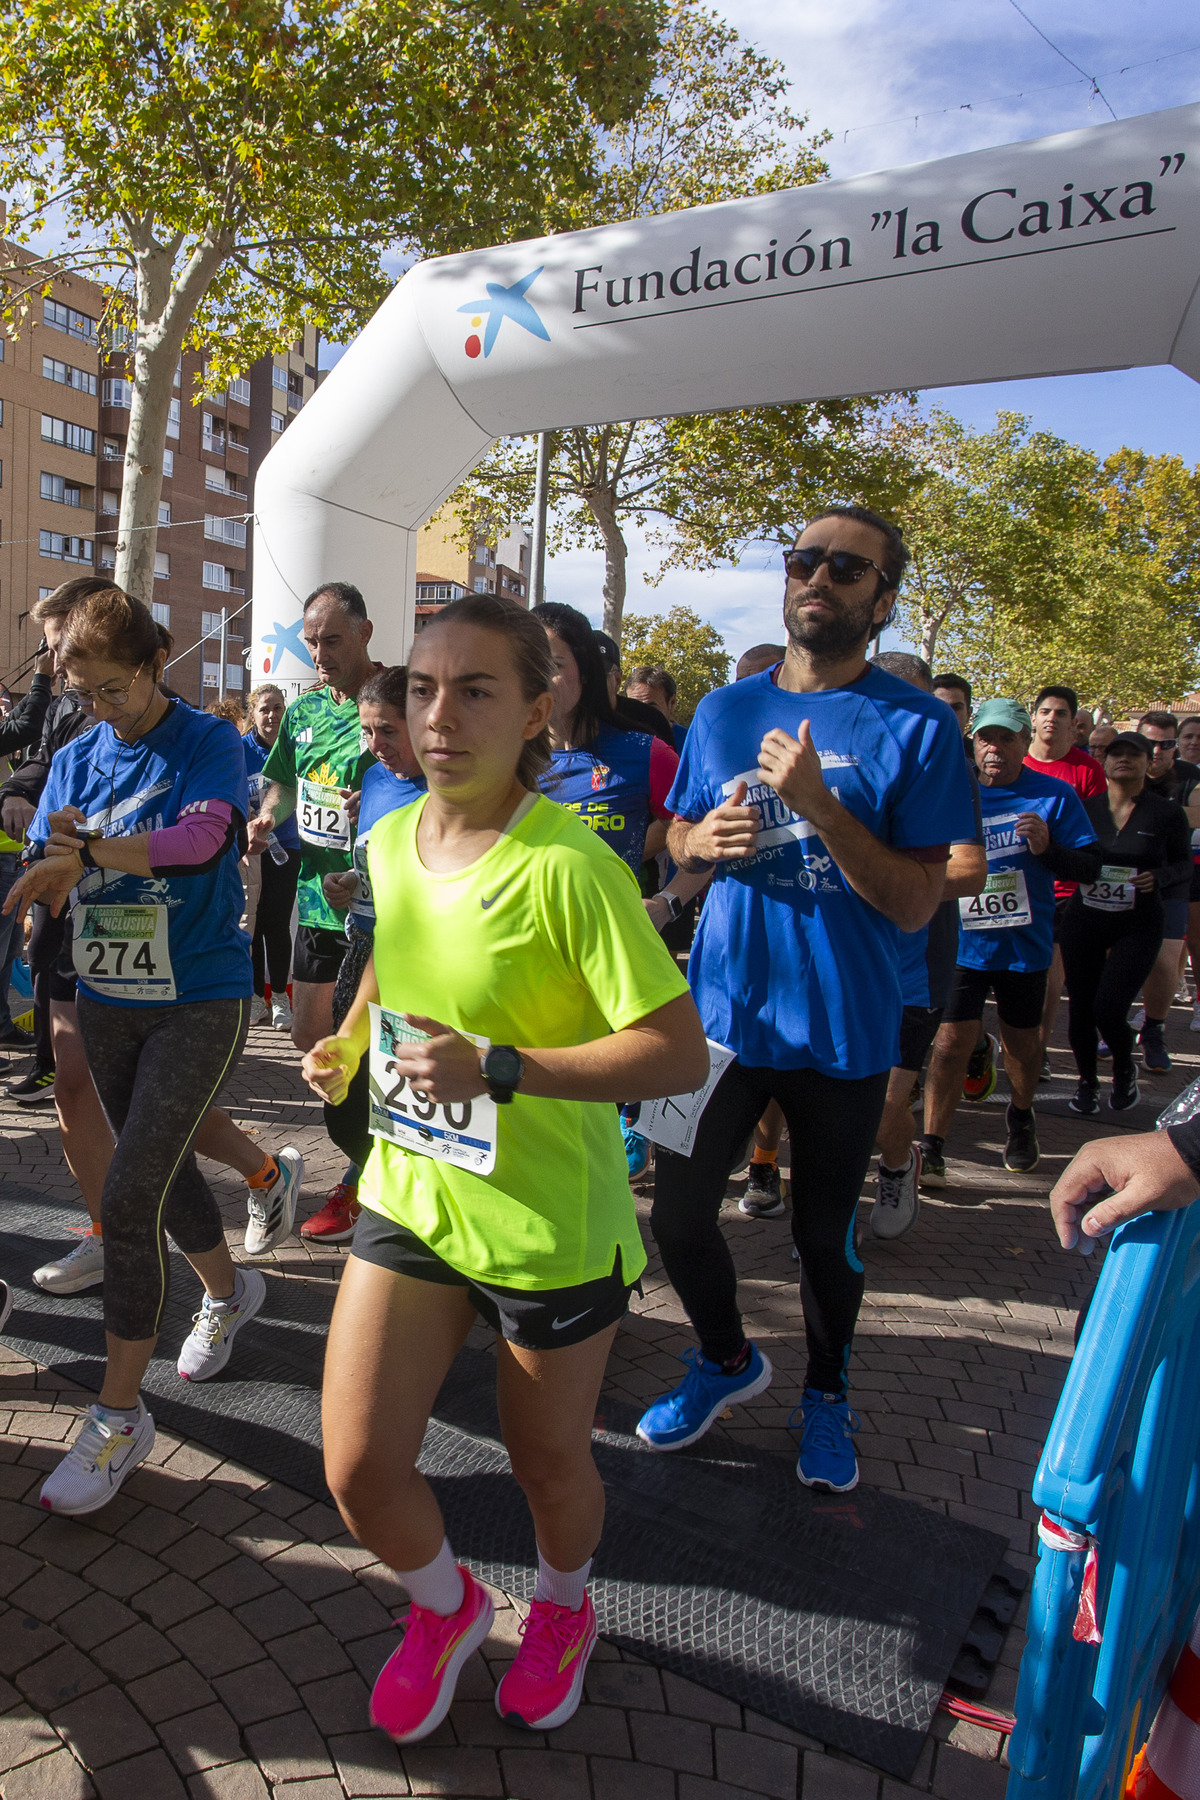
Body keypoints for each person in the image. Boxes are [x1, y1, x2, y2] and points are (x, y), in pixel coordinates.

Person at [302, 595, 707, 1742]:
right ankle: (446, 1608)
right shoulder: (389, 834)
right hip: (413, 1190)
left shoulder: (574, 867)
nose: (440, 715)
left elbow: (672, 1051)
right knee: (359, 1467)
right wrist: (355, 1032)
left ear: (539, 709)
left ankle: (565, 1609)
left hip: (547, 1221)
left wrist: (504, 1069)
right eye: (424, 688)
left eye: (476, 690)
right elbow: (398, 953)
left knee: (545, 1464)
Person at [636, 504, 975, 1495]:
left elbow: (918, 899)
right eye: (805, 560)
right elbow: (674, 835)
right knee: (681, 1217)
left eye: (848, 568)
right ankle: (728, 1360)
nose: (819, 578)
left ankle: (827, 1393)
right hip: (724, 1022)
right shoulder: (724, 709)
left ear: (881, 600)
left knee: (823, 1235)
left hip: (847, 1027)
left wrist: (822, 807)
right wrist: (696, 845)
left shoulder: (915, 726)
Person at [4, 588, 275, 1515]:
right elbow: (47, 843)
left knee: (127, 1194)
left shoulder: (208, 740)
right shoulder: (79, 752)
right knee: (162, 1171)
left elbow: (204, 840)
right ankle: (231, 1292)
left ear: (155, 666)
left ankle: (119, 1417)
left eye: (115, 689)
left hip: (199, 993)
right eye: (85, 692)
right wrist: (52, 868)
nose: (102, 708)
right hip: (108, 994)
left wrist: (92, 857)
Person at [920, 699, 1100, 1181]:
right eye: (985, 738)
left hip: (1024, 945)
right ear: (973, 743)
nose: (994, 748)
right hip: (962, 943)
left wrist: (1048, 848)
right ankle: (933, 1143)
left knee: (1023, 1043)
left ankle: (1021, 1116)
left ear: (1025, 743)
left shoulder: (1054, 796)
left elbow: (1089, 868)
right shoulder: (952, 791)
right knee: (949, 1042)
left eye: (1006, 739)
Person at [249, 582, 379, 1239]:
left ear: (364, 633)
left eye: (331, 639)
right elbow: (281, 776)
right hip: (314, 898)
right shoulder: (301, 712)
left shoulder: (390, 704)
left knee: (361, 1047)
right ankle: (371, 1154)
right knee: (312, 1040)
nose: (319, 652)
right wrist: (268, 816)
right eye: (311, 640)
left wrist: (368, 868)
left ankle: (364, 1175)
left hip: (377, 911)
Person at [534, 603, 681, 1179]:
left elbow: (694, 835)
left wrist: (666, 902)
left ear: (587, 673)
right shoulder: (504, 757)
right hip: (533, 955)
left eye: (553, 663)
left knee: (602, 1094)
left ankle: (631, 1125)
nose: (539, 678)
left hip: (616, 954)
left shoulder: (646, 752)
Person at [868, 653, 986, 1233]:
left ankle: (898, 1162)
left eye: (916, 704)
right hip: (840, 963)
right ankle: (829, 1225)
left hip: (914, 966)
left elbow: (970, 870)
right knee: (827, 1112)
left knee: (884, 1108)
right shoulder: (836, 756)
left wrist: (876, 874)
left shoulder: (945, 764)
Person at [318, 666, 425, 1198]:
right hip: (364, 947)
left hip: (421, 961)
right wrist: (348, 882)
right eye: (367, 730)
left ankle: (387, 1195)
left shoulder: (451, 791)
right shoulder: (376, 780)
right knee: (343, 1109)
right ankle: (374, 1177)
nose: (375, 744)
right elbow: (372, 864)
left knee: (399, 1096)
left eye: (388, 730)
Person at [1059, 731, 1190, 1116]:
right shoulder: (1086, 808)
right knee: (1081, 1008)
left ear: (1149, 763)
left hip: (1139, 921)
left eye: (1134, 755)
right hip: (1085, 918)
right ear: (1104, 762)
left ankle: (1123, 1065)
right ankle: (1086, 1083)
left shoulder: (1165, 812)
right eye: (1116, 754)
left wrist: (1159, 878)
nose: (1124, 760)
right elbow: (1068, 858)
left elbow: (1183, 865)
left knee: (1109, 1005)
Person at [1023, 685, 1106, 1078]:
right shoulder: (1013, 760)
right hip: (1008, 886)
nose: (1051, 719)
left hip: (1062, 892)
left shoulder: (1086, 770)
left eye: (1060, 714)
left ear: (1074, 725)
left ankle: (1038, 1051)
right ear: (1033, 717)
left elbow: (1094, 838)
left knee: (1049, 979)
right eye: (1045, 712)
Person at [1135, 711, 1200, 1069]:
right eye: (1150, 743)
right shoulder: (1118, 772)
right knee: (1115, 963)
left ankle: (1154, 1030)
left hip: (1173, 881)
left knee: (1163, 960)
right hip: (1122, 881)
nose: (1158, 751)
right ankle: (1110, 1027)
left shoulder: (1191, 779)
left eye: (1167, 744)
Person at [242, 685, 301, 1030]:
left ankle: (279, 997)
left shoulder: (291, 747)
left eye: (278, 708)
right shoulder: (238, 749)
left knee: (277, 923)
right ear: (253, 714)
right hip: (250, 848)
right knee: (251, 924)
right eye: (264, 709)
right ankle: (254, 999)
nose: (272, 715)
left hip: (286, 847)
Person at [626, 663, 688, 753]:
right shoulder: (619, 745)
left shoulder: (690, 744)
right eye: (634, 707)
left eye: (650, 708)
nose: (641, 716)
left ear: (672, 703)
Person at [932, 672, 973, 746]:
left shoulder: (977, 755)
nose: (949, 714)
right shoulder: (910, 752)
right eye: (941, 707)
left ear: (968, 714)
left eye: (956, 708)